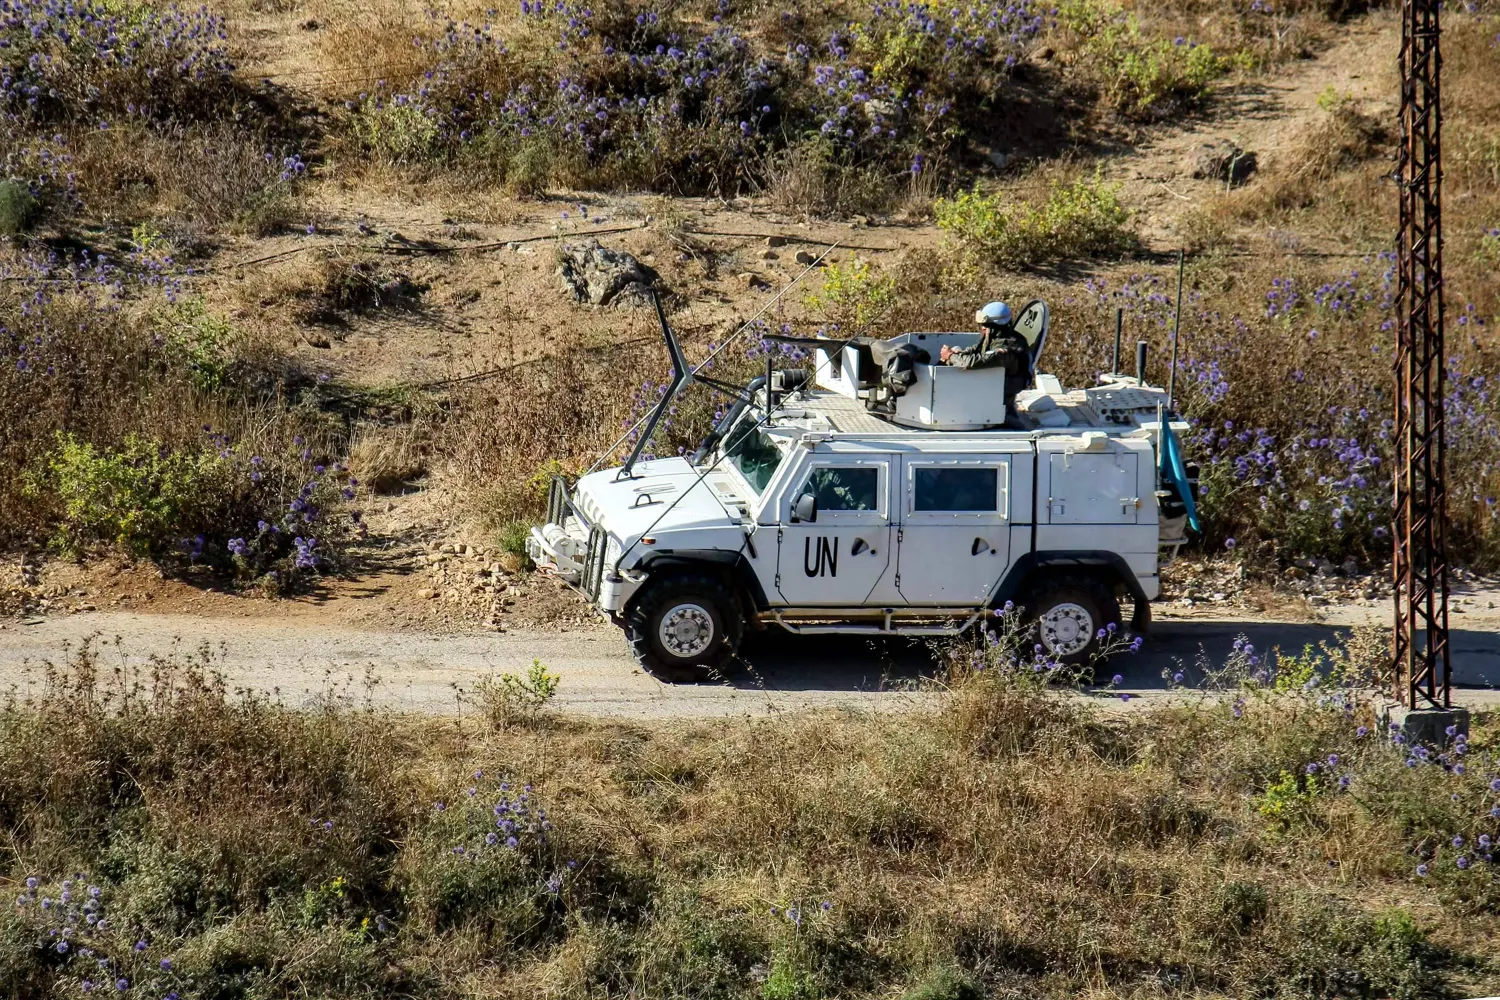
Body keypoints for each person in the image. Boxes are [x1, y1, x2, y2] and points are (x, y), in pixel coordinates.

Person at [939, 301, 1029, 374]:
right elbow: (978, 349)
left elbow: (972, 363)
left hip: (1002, 389)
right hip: (993, 382)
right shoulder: (995, 336)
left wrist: (950, 356)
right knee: (956, 351)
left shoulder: (1006, 346)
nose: (983, 328)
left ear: (997, 326)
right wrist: (959, 353)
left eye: (986, 325)